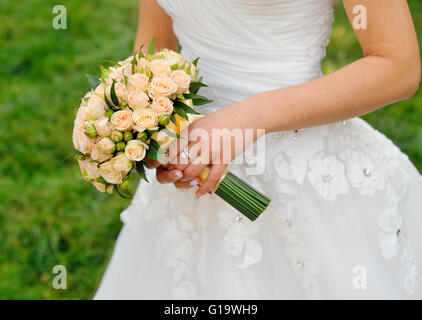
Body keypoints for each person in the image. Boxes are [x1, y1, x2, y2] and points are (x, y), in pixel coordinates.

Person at [95, 0, 422, 299]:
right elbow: (154, 48)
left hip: (302, 165)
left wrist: (245, 119)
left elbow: (397, 66)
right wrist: (154, 128)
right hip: (194, 161)